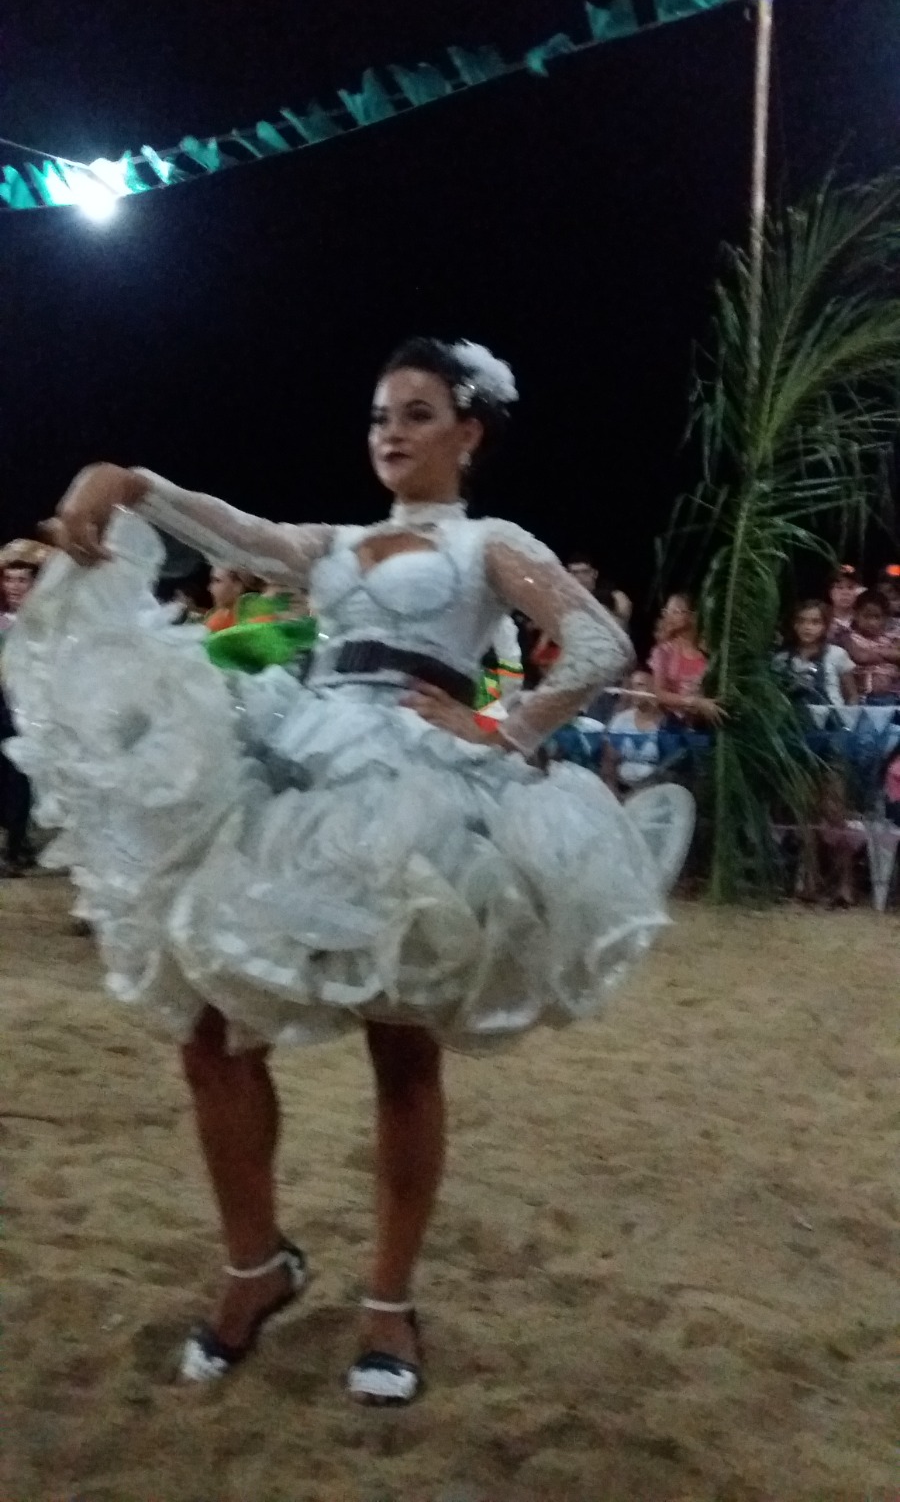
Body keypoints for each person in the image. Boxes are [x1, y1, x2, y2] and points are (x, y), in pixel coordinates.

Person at [11, 336, 689, 1405]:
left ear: (468, 433)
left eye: (418, 413)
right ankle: (257, 1264)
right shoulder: (336, 542)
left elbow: (601, 643)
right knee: (209, 1027)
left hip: (418, 787)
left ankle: (388, 1300)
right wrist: (127, 480)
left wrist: (503, 726)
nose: (391, 432)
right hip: (303, 768)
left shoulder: (484, 543)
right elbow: (229, 527)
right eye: (381, 415)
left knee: (401, 1047)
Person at [0, 556, 42, 876]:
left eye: (22, 579)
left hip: (28, 707)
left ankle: (16, 842)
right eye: (9, 579)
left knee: (21, 776)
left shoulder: (42, 623)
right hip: (3, 705)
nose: (14, 586)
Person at [648, 593, 723, 726]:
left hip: (708, 722)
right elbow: (660, 693)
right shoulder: (663, 652)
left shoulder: (710, 652)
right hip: (675, 724)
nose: (669, 616)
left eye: (676, 611)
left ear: (693, 616)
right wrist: (695, 702)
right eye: (667, 611)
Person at [773, 600, 857, 709]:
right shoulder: (781, 659)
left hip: (830, 716)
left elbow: (852, 695)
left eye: (815, 622)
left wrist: (848, 715)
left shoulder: (836, 654)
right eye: (801, 621)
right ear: (794, 625)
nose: (807, 627)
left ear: (825, 626)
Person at [602, 671, 664, 796]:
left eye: (640, 685)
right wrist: (613, 792)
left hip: (655, 792)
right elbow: (609, 761)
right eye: (632, 686)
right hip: (623, 789)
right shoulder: (621, 720)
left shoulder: (667, 724)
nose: (634, 691)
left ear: (653, 688)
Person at [840, 594, 900, 703]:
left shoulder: (893, 636)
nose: (871, 623)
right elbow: (860, 657)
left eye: (877, 617)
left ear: (886, 618)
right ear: (856, 615)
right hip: (861, 695)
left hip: (892, 695)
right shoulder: (849, 637)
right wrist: (887, 655)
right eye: (866, 616)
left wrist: (875, 653)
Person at [204, 565, 254, 633]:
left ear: (238, 585)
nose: (210, 588)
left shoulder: (257, 618)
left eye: (217, 581)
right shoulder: (217, 620)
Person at [826, 564, 864, 642]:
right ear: (830, 592)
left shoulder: (864, 619)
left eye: (850, 588)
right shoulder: (823, 619)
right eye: (839, 587)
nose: (845, 593)